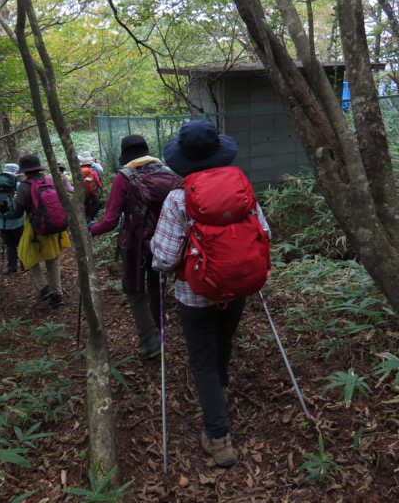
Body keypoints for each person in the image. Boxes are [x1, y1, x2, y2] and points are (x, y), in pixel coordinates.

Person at [151, 120, 271, 468]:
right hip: (238, 287)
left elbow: (164, 257)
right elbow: (264, 231)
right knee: (223, 341)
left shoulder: (178, 198)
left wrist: (159, 261)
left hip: (195, 293)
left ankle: (218, 437)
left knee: (201, 359)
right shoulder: (242, 188)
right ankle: (220, 389)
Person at [89, 135, 177, 360]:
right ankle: (159, 332)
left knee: (134, 289)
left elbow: (109, 221)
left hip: (136, 245)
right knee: (157, 286)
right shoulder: (168, 173)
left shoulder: (124, 177)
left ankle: (150, 339)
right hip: (164, 243)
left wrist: (88, 230)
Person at [3, 154, 70, 308]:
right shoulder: (50, 181)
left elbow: (18, 214)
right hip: (54, 229)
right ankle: (58, 295)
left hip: (35, 229)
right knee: (53, 261)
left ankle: (44, 287)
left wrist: (7, 214)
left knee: (27, 257)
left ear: (24, 171)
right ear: (39, 167)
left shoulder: (24, 187)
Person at [0, 163, 24, 275]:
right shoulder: (18, 185)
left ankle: (11, 269)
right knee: (21, 243)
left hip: (1, 221)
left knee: (10, 245)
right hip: (18, 221)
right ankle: (25, 265)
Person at [78, 151, 104, 223]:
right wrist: (101, 186)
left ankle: (86, 217)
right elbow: (98, 183)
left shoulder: (78, 171)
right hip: (92, 191)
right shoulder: (92, 171)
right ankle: (91, 217)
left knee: (86, 204)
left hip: (83, 191)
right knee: (96, 203)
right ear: (89, 163)